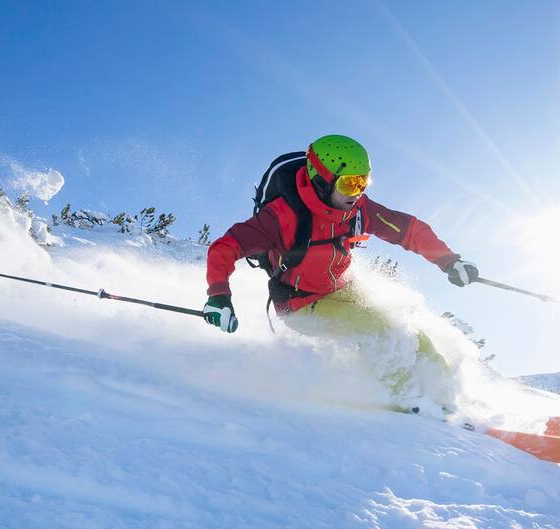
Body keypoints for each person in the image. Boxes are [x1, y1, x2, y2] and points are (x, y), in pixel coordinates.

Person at [202, 134, 478, 412]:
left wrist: (449, 261)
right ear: (322, 181)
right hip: (300, 302)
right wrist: (219, 295)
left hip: (341, 288)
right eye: (349, 183)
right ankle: (410, 401)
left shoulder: (359, 210)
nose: (357, 193)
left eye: (363, 182)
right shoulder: (283, 217)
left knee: (411, 332)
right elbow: (226, 247)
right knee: (379, 331)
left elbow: (409, 230)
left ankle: (446, 397)